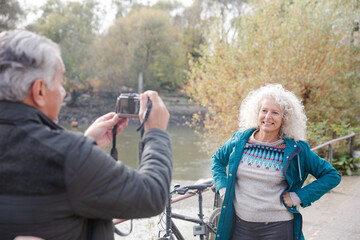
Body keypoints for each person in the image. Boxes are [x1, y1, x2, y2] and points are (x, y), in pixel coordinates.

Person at [0, 30, 172, 240]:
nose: (63, 92)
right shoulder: (70, 156)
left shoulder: (70, 154)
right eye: (61, 82)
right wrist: (156, 133)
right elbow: (151, 196)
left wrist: (85, 143)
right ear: (39, 91)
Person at [211, 84, 341, 240]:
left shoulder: (297, 149)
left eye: (275, 113)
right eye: (264, 111)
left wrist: (298, 197)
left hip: (278, 229)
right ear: (257, 113)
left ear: (284, 119)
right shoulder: (240, 140)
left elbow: (331, 175)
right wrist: (223, 187)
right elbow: (217, 160)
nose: (267, 117)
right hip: (240, 227)